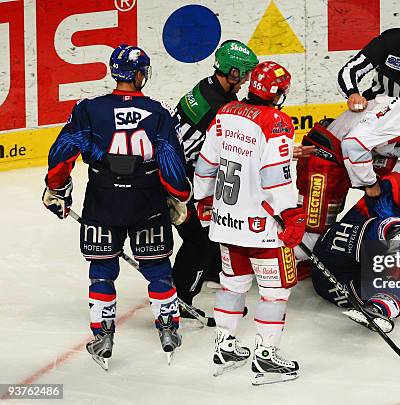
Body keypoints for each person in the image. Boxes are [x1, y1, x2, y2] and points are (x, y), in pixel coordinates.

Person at [42, 44, 192, 370]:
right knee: (156, 268)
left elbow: (63, 151)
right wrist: (179, 196)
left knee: (102, 270)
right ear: (139, 75)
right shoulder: (158, 111)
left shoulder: (89, 109)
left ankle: (103, 335)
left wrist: (57, 189)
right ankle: (168, 328)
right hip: (146, 201)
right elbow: (170, 162)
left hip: (102, 200)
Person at [193, 61, 305, 385]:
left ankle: (225, 346)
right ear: (277, 93)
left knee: (232, 284)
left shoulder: (226, 111)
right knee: (274, 292)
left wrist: (202, 200)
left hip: (226, 221)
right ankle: (266, 357)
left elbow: (205, 164)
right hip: (262, 227)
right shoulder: (278, 122)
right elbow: (274, 179)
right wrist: (290, 214)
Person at [296, 95, 400, 262]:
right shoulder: (393, 121)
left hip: (347, 158)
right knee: (310, 242)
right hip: (324, 160)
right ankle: (271, 253)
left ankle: (383, 222)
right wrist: (370, 183)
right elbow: (352, 145)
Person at [172, 40, 258, 320]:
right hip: (179, 177)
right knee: (203, 238)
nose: (245, 80)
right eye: (243, 74)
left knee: (203, 234)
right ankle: (180, 298)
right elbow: (229, 146)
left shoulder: (208, 87)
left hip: (176, 169)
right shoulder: (217, 107)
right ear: (232, 73)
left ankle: (208, 270)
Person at [311, 171, 400, 333]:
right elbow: (395, 179)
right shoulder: (391, 198)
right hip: (337, 245)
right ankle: (398, 233)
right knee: (385, 229)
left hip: (338, 286)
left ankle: (375, 309)